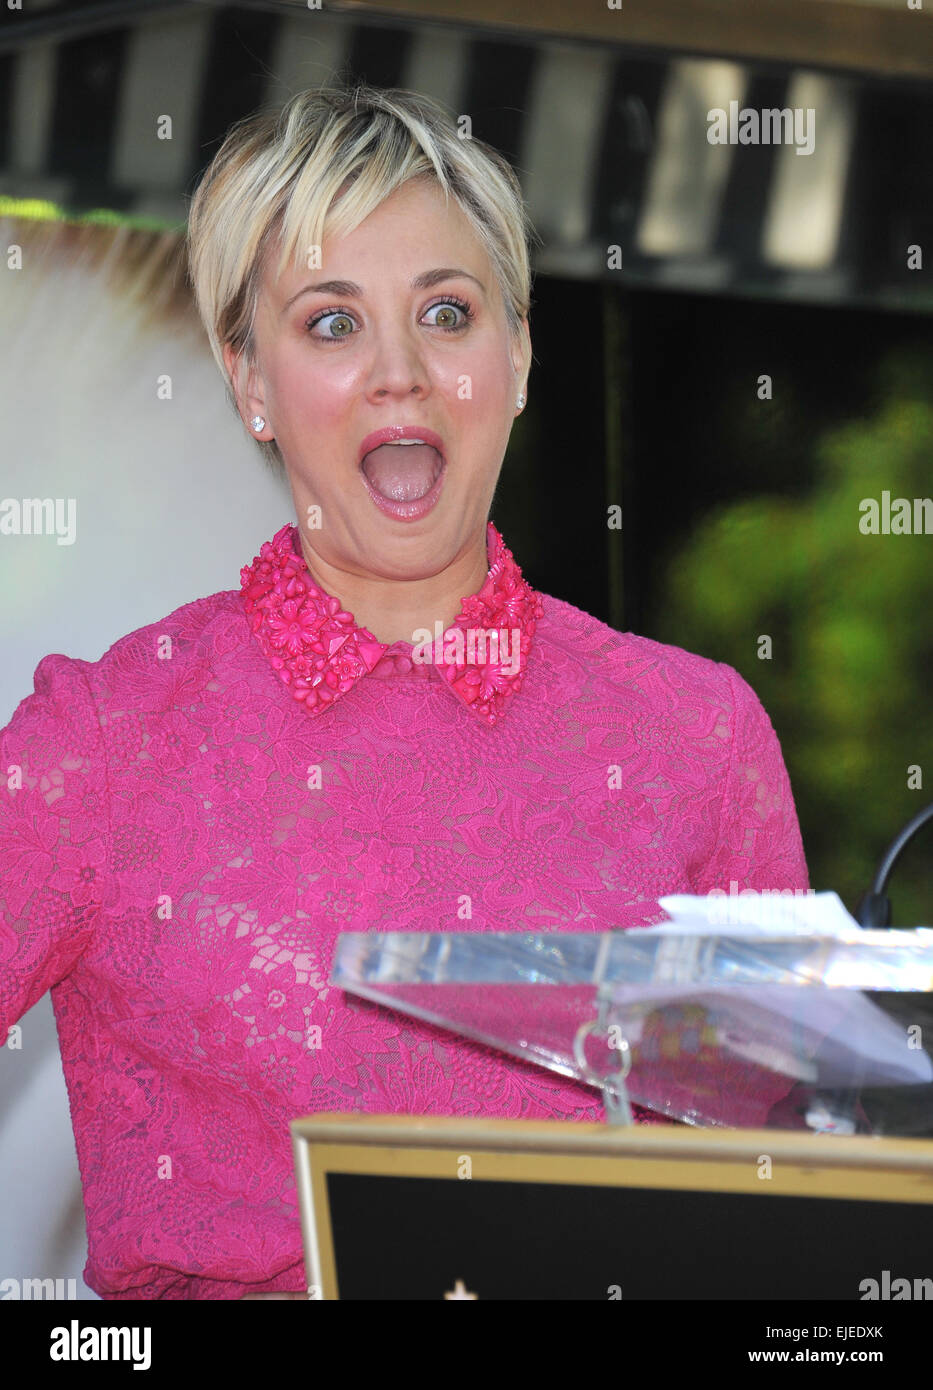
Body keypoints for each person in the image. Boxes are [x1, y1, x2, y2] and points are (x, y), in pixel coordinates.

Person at [0, 82, 809, 1300]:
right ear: (248, 381)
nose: (400, 374)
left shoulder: (696, 736)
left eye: (447, 311)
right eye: (331, 324)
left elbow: (787, 1209)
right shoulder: (101, 743)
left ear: (520, 356)